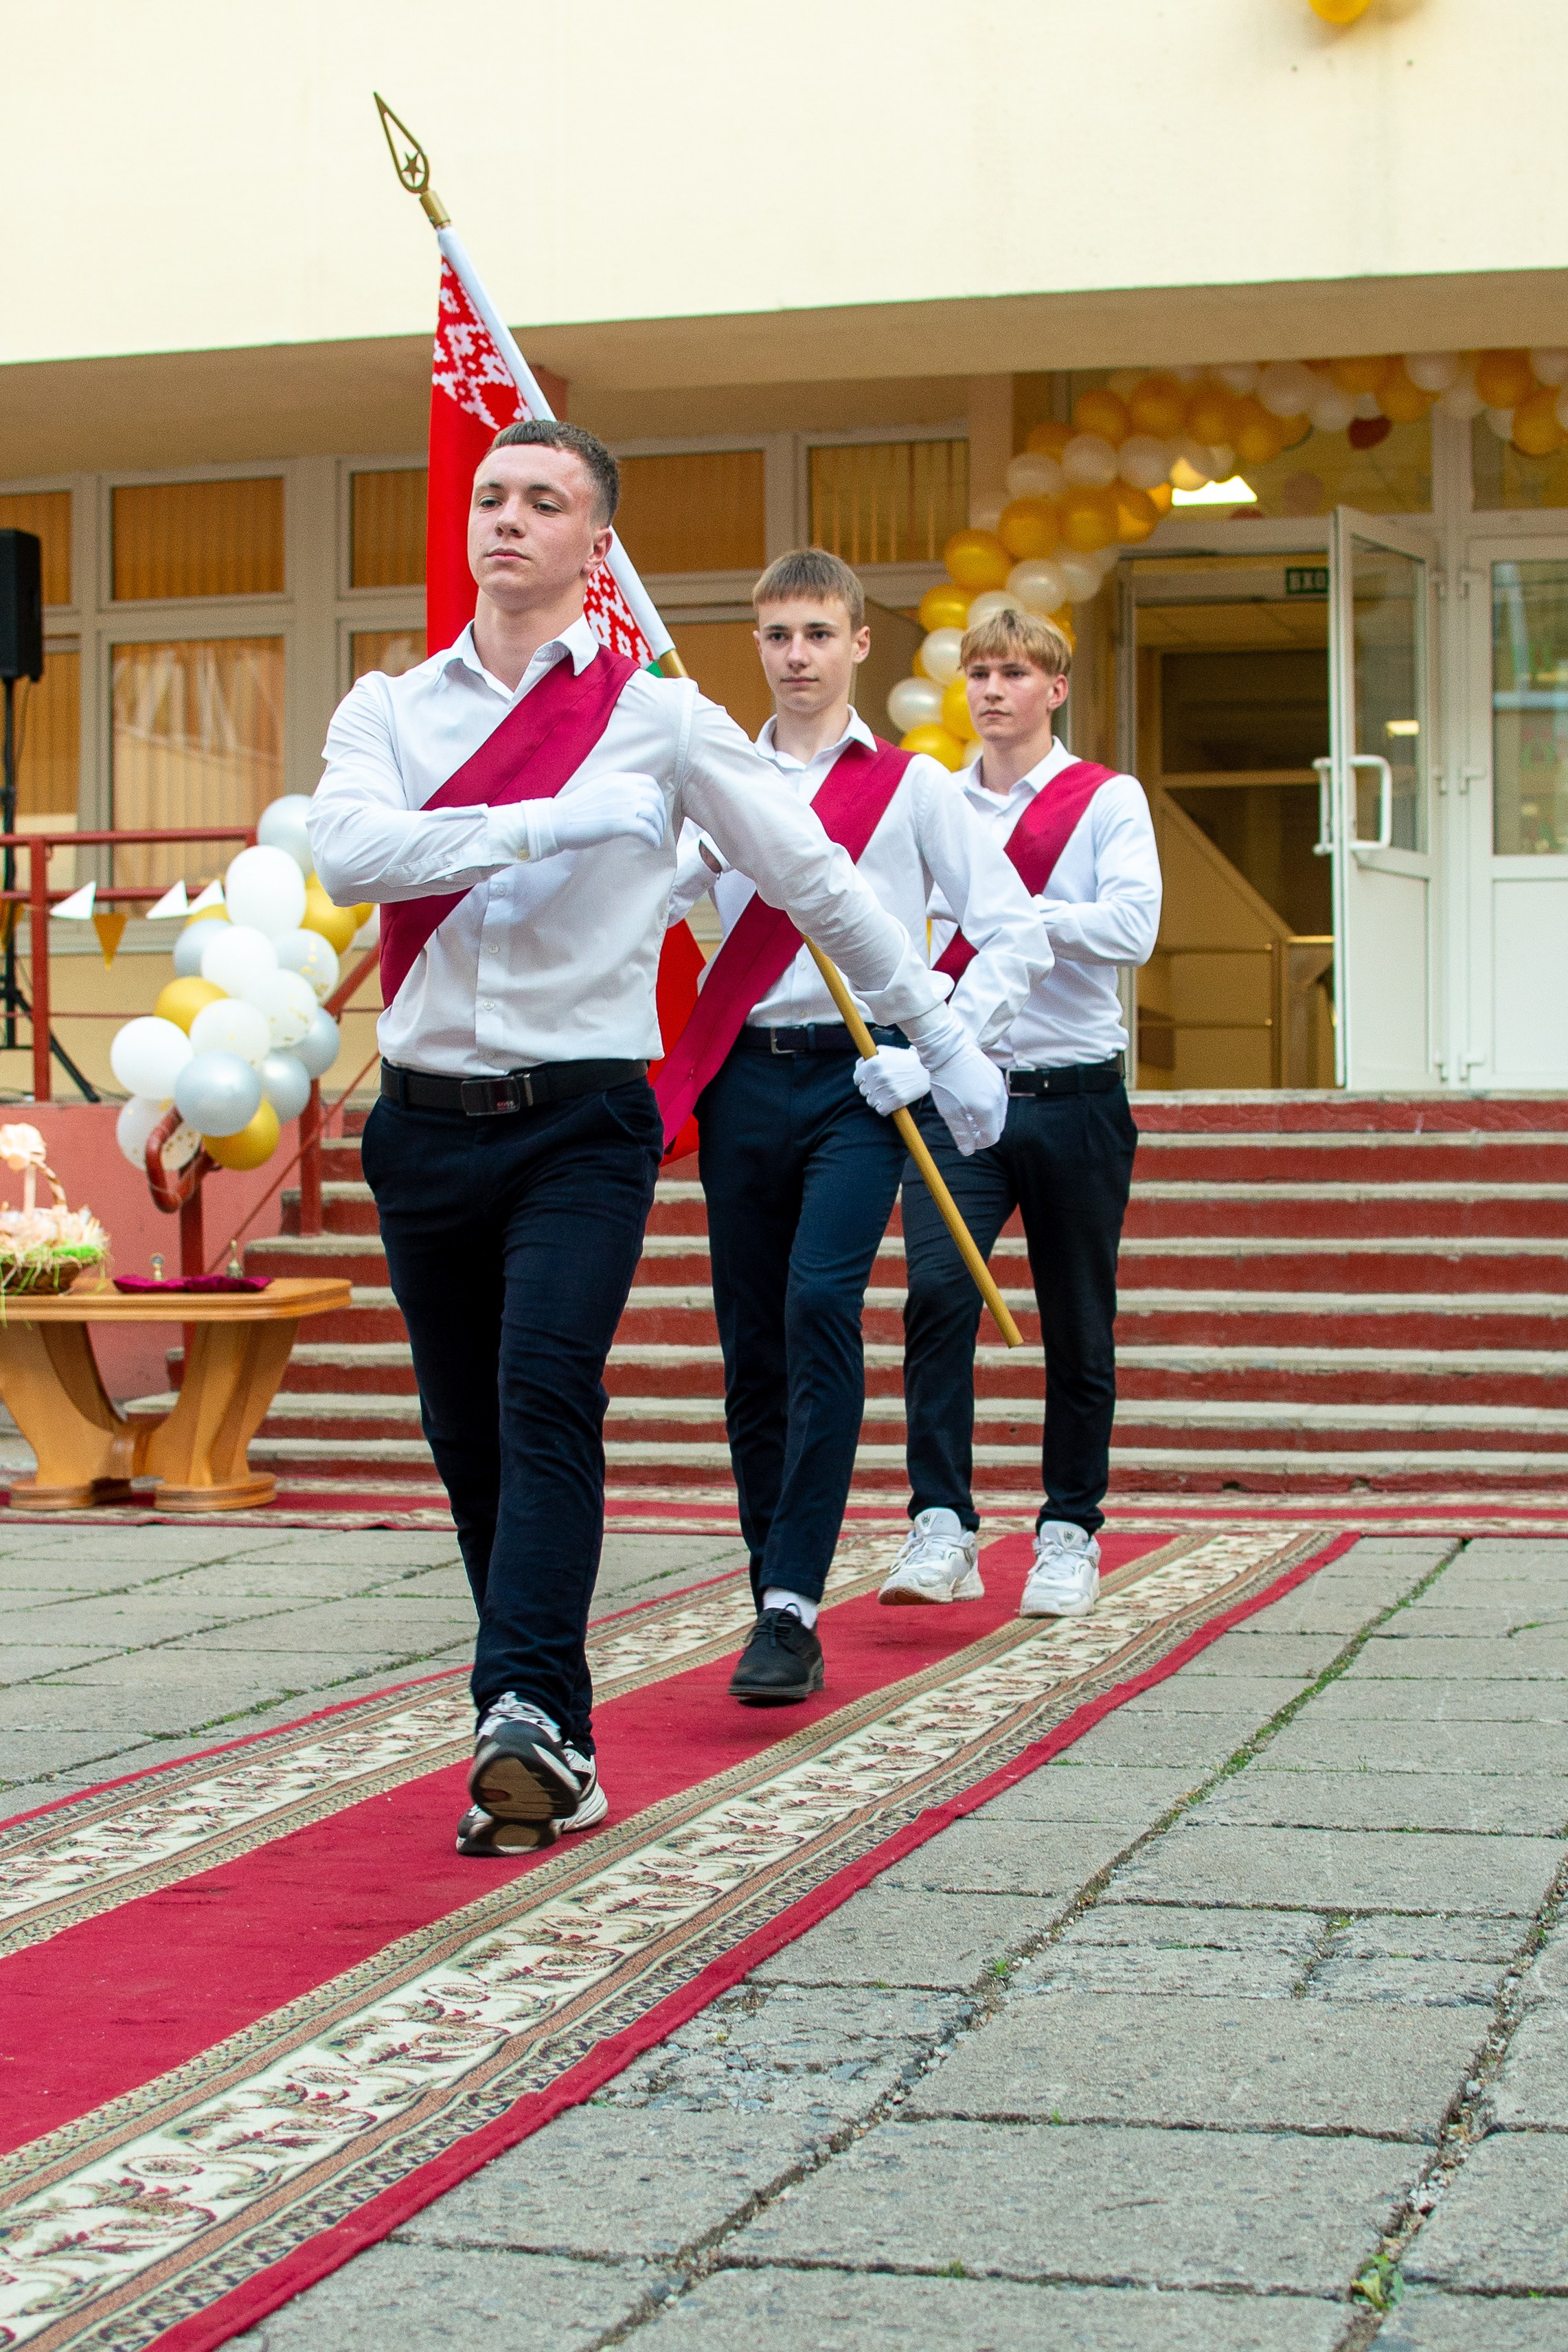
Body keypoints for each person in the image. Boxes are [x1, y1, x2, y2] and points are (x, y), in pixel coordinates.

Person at [308, 422, 1004, 1857]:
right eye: (491, 495)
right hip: (424, 1120)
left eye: (542, 500)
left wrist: (935, 1031)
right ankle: (550, 1730)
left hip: (580, 1118)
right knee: (463, 1430)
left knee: (543, 1388)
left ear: (592, 545)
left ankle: (520, 1710)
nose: (505, 517)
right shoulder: (387, 707)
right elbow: (350, 852)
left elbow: (810, 873)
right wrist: (544, 821)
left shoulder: (662, 718)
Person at [661, 550, 1049, 1704]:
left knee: (821, 1302)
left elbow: (1012, 930)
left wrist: (930, 1048)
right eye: (776, 635)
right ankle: (772, 1579)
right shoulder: (717, 778)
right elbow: (649, 908)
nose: (795, 658)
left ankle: (791, 1604)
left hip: (860, 1085)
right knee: (752, 1342)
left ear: (859, 644)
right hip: (741, 1078)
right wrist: (692, 865)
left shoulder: (917, 787)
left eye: (817, 635)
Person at [862, 605, 1160, 1616]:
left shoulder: (1105, 800)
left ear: (1055, 688)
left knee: (1079, 1320)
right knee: (938, 1298)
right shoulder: (931, 799)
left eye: (1013, 674)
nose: (991, 690)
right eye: (979, 673)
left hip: (1074, 1093)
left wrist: (1009, 918)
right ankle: (940, 1522)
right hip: (960, 1089)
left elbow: (1132, 925)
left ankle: (1070, 1529)